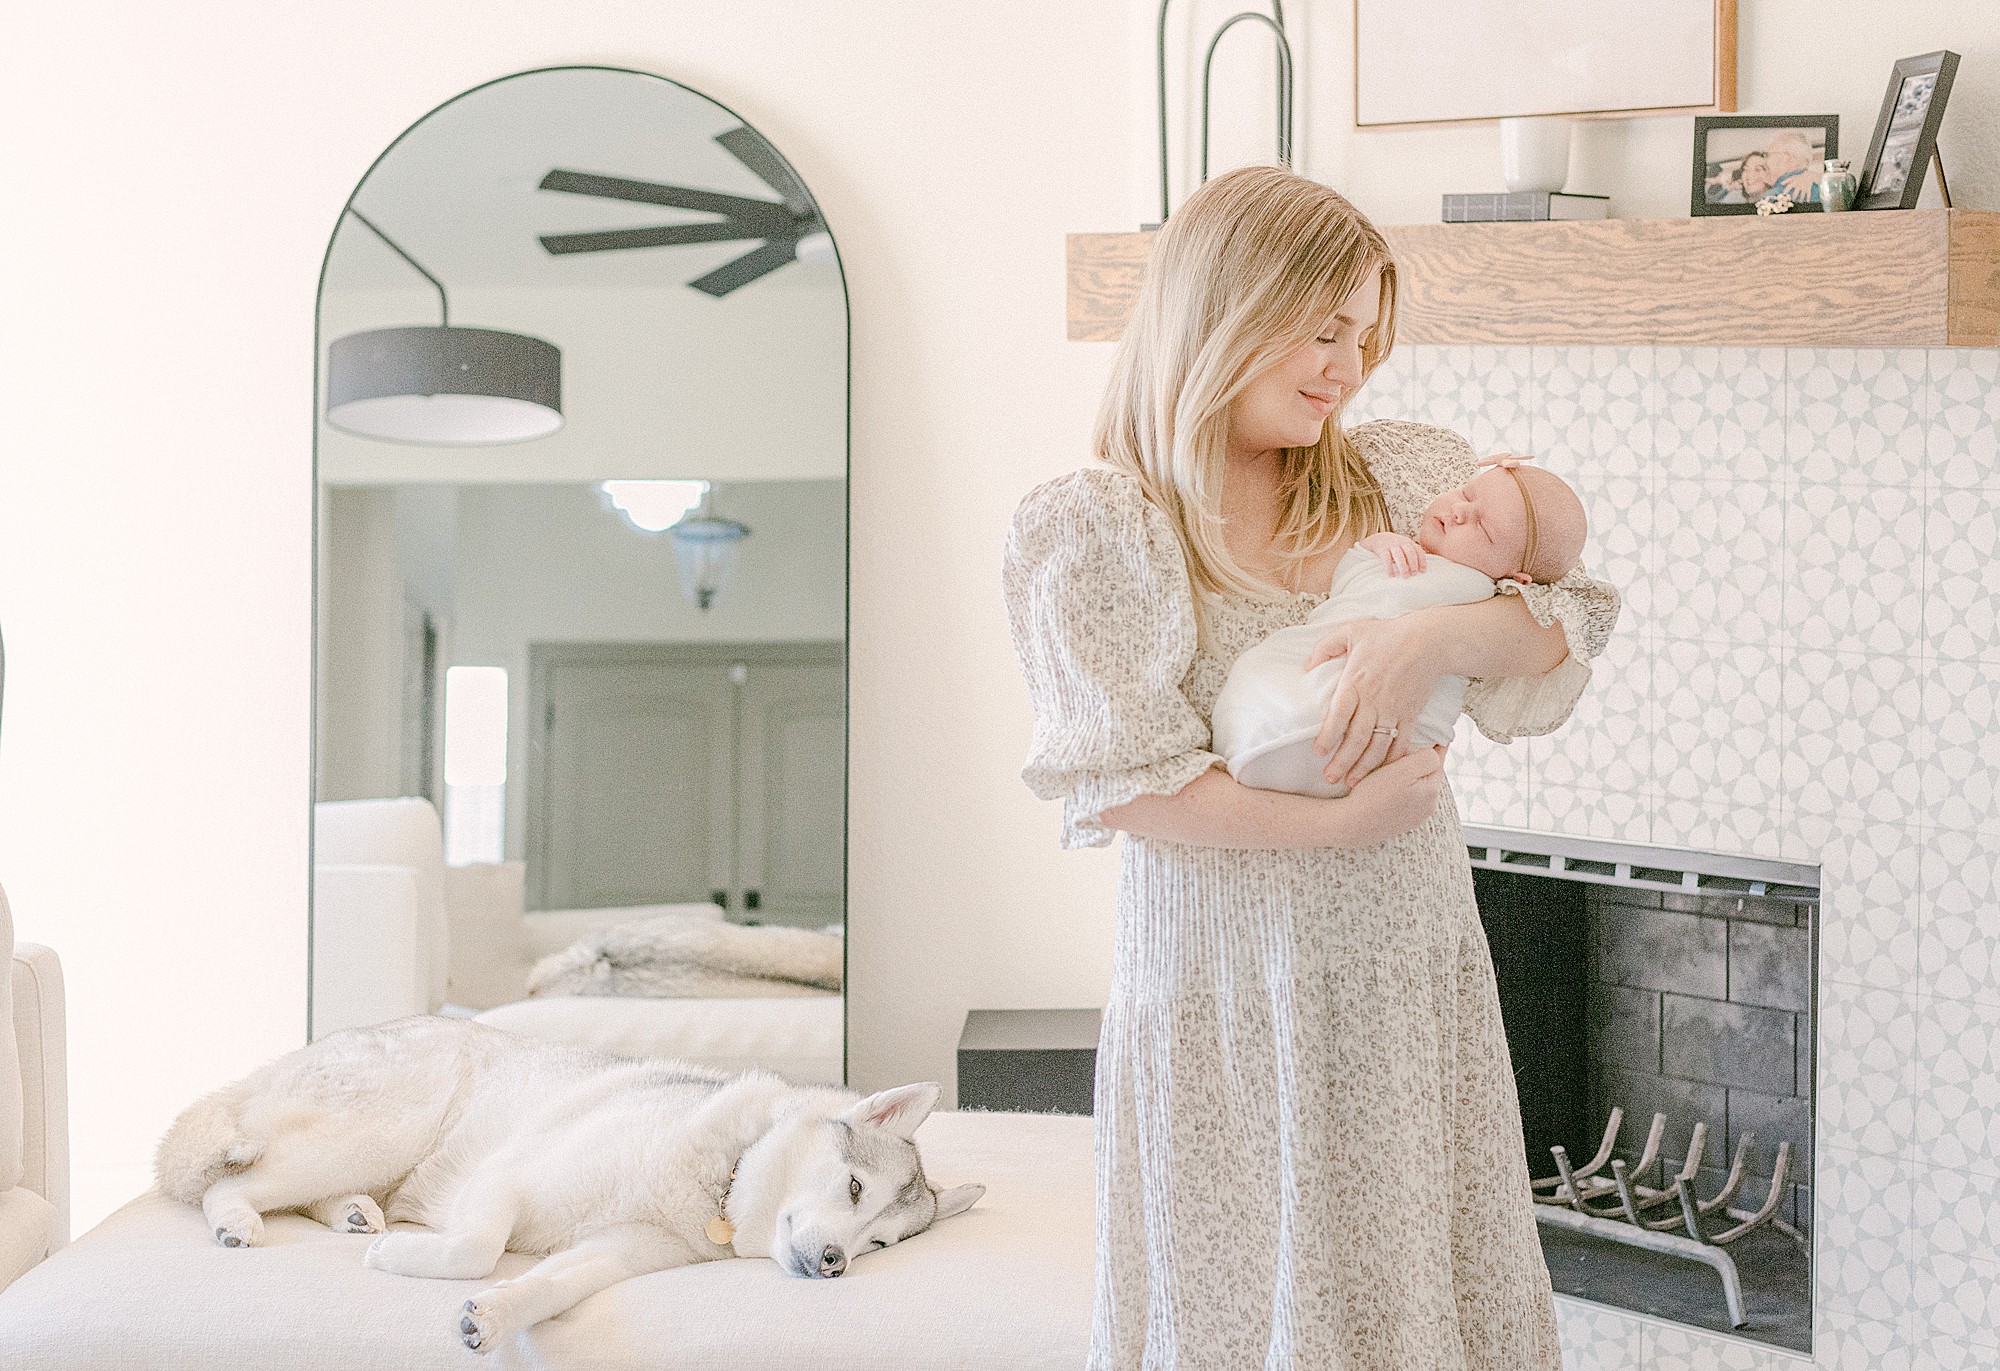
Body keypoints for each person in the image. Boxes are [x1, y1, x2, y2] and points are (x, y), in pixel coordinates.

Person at [1000, 163, 1622, 1370]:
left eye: (1362, 336)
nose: (1349, 366)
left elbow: (1566, 615)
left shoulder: (1395, 474)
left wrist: (1424, 639)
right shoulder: (1093, 527)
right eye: (1322, 329)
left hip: (1401, 972)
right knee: (1239, 1314)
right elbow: (1120, 783)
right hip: (1222, 997)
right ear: (1224, 308)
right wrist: (1334, 827)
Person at [1209, 459, 1589, 798]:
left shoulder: (1487, 593)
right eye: (1466, 493)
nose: (1459, 512)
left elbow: (1576, 615)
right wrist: (1380, 543)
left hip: (1384, 746)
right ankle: (1261, 731)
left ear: (1516, 579)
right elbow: (1349, 584)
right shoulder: (1405, 552)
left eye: (1484, 528)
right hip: (1281, 712)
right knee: (1263, 665)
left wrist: (1427, 639)